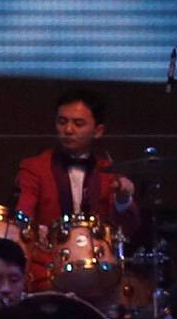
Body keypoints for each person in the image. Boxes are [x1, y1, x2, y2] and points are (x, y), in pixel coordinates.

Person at [15, 88, 142, 236]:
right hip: (46, 255)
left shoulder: (110, 172)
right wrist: (32, 230)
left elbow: (129, 228)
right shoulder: (34, 167)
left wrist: (123, 200)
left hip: (97, 255)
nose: (68, 130)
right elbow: (22, 214)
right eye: (62, 122)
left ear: (98, 131)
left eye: (78, 123)